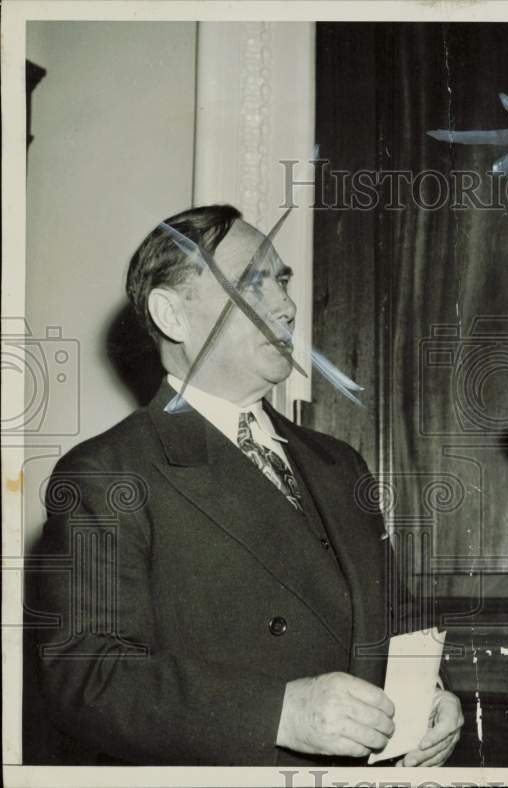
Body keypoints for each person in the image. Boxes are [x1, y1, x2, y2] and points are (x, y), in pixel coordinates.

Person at [30, 204, 462, 766]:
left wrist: (432, 697)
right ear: (172, 316)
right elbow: (88, 678)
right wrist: (279, 713)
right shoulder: (109, 473)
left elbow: (396, 620)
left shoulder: (339, 463)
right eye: (254, 284)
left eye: (281, 282)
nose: (285, 306)